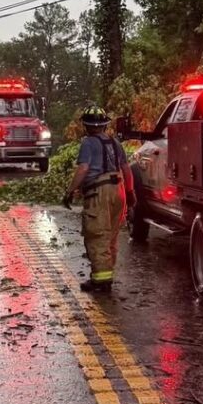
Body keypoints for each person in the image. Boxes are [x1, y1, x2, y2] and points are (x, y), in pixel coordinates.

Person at [62, 105, 136, 292]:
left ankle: (101, 281)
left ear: (86, 126)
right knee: (111, 236)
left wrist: (71, 190)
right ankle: (107, 274)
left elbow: (84, 168)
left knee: (97, 236)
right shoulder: (115, 142)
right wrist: (130, 192)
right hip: (118, 190)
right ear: (104, 125)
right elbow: (127, 169)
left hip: (99, 193)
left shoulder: (88, 143)